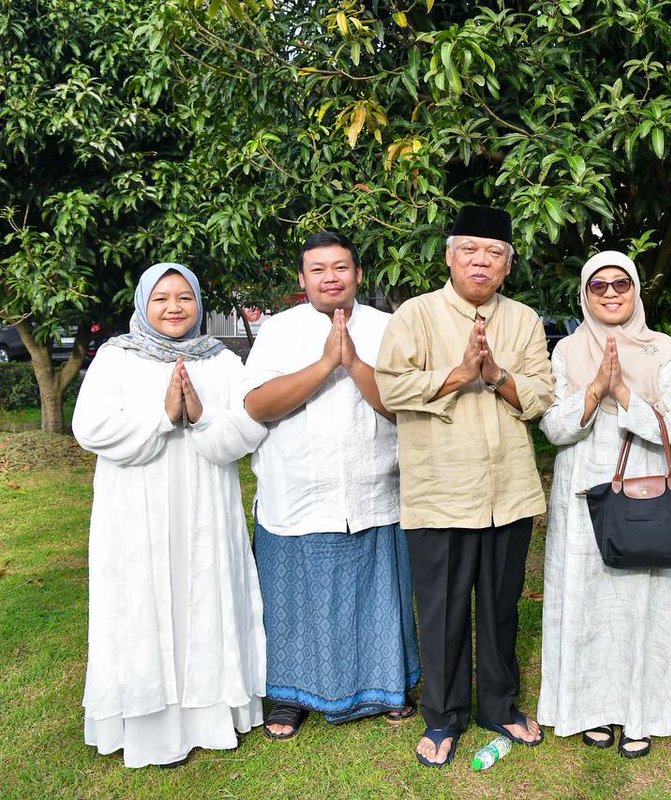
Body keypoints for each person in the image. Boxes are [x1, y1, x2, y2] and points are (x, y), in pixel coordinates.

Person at [375, 206, 554, 768]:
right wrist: (459, 374)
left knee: (500, 608)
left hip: (508, 491)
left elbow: (542, 396)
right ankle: (444, 715)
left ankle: (498, 705)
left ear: (507, 265)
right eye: (470, 250)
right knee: (443, 611)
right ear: (450, 256)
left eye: (494, 253)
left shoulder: (523, 320)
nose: (482, 261)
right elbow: (390, 388)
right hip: (440, 490)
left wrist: (496, 374)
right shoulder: (416, 314)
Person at [74, 263, 267, 768]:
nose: (174, 308)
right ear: (143, 304)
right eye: (161, 298)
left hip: (207, 503)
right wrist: (162, 416)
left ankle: (210, 717)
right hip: (136, 507)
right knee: (143, 599)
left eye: (184, 297)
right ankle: (151, 728)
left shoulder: (221, 360)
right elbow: (90, 428)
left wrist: (200, 416)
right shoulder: (117, 357)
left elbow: (250, 428)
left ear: (199, 303)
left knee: (205, 591)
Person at [243, 231, 419, 740]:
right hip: (297, 492)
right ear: (302, 279)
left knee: (376, 598)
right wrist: (325, 365)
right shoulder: (278, 330)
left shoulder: (387, 327)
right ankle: (289, 695)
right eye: (317, 270)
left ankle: (388, 686)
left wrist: (355, 364)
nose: (330, 278)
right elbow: (257, 405)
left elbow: (402, 408)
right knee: (293, 603)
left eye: (340, 267)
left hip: (374, 489)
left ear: (358, 274)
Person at [537, 250, 671, 759]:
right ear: (585, 294)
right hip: (580, 484)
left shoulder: (661, 348)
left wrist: (622, 393)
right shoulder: (567, 350)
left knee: (637, 597)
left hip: (642, 480)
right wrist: (594, 389)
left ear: (636, 289)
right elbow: (554, 428)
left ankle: (638, 712)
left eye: (621, 283)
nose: (611, 293)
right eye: (598, 285)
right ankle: (589, 708)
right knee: (583, 594)